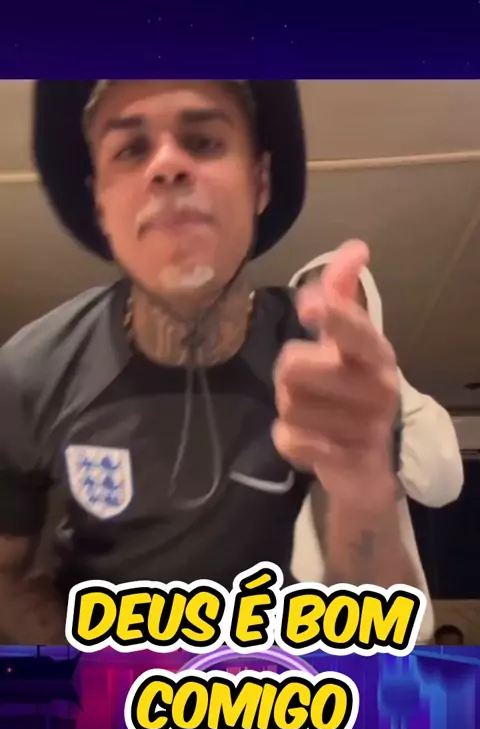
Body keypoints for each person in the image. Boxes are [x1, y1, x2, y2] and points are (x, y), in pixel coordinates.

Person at [0, 80, 460, 644]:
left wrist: (365, 493)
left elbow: (382, 627)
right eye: (132, 149)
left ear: (260, 183)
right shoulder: (29, 373)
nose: (168, 165)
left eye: (203, 141)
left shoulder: (321, 366)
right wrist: (80, 663)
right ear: (99, 201)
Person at [288, 252, 463, 643]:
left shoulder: (400, 407)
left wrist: (384, 379)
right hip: (296, 646)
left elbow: (442, 486)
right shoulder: (267, 411)